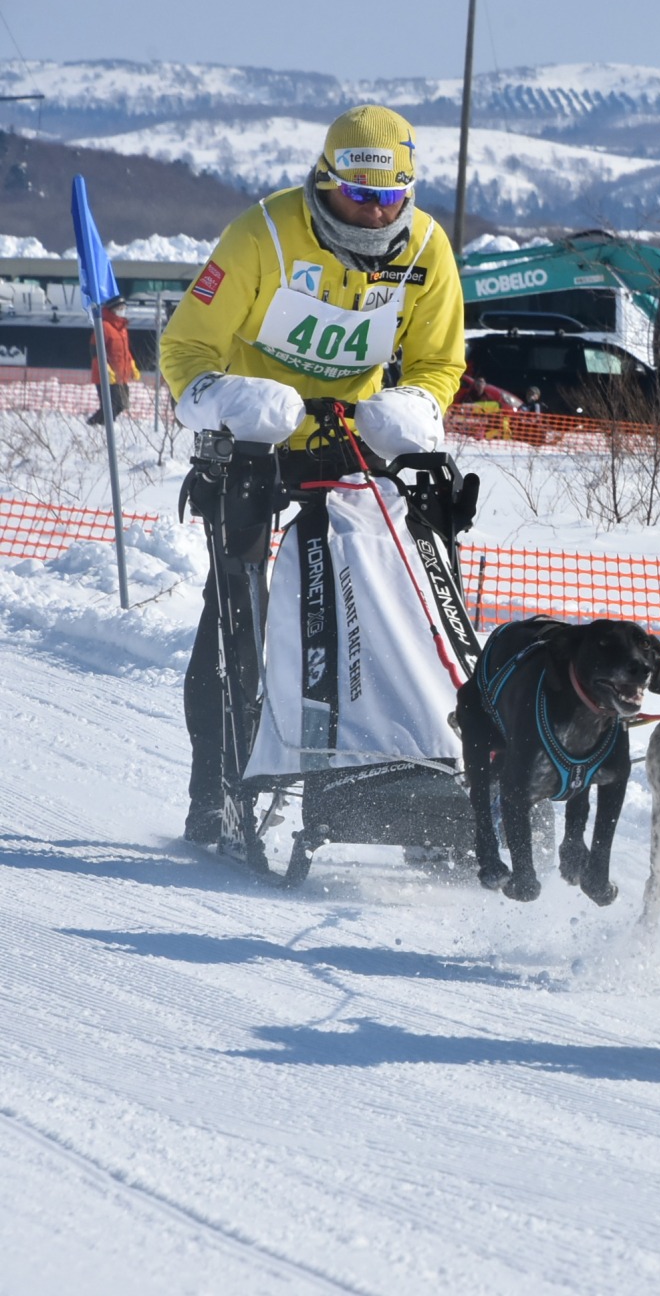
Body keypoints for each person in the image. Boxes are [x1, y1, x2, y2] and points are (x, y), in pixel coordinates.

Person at [158, 104, 466, 845]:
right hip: (254, 438)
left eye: (389, 198)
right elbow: (184, 349)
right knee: (234, 611)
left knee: (395, 599)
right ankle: (215, 788)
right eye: (358, 197)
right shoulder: (261, 235)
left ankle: (417, 768)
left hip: (350, 442)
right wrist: (225, 398)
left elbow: (440, 361)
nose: (373, 212)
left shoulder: (425, 247)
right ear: (325, 181)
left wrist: (415, 407)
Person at [85, 295, 141, 425]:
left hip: (121, 374)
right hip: (106, 375)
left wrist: (132, 365)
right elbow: (96, 351)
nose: (122, 310)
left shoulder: (122, 328)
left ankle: (97, 424)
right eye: (120, 308)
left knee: (123, 403)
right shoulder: (103, 326)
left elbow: (125, 351)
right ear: (112, 310)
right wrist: (105, 368)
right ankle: (99, 425)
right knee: (111, 405)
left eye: (124, 308)